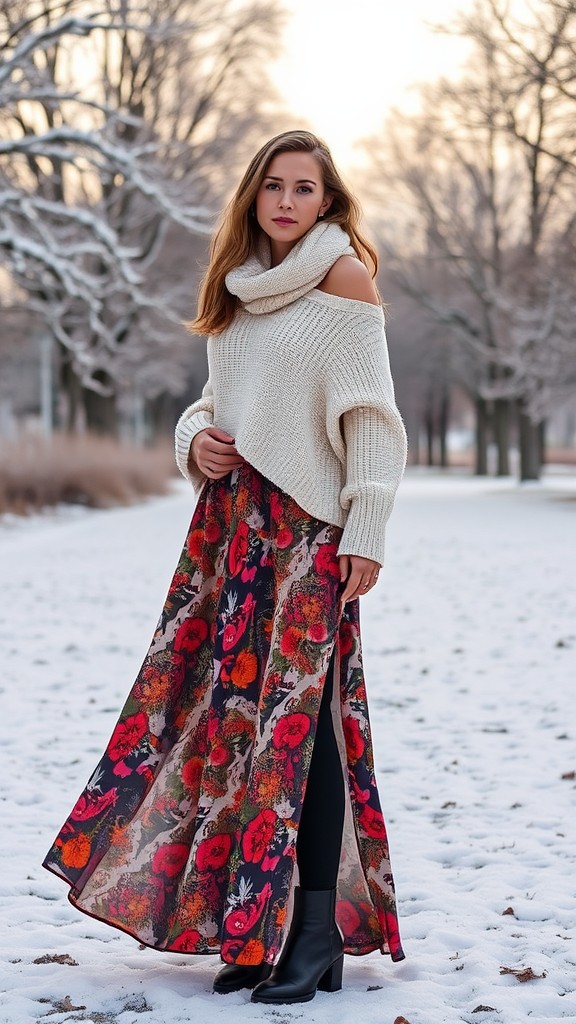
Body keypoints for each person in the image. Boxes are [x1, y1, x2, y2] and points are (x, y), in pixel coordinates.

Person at [42, 129, 408, 1005]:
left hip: (311, 531)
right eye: (273, 186)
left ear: (328, 201)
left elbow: (374, 420)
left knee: (301, 728)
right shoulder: (240, 289)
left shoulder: (343, 280)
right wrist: (191, 439)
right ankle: (249, 928)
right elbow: (219, 402)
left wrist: (367, 529)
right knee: (229, 723)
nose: (286, 201)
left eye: (305, 188)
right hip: (233, 528)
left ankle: (313, 934)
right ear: (253, 195)